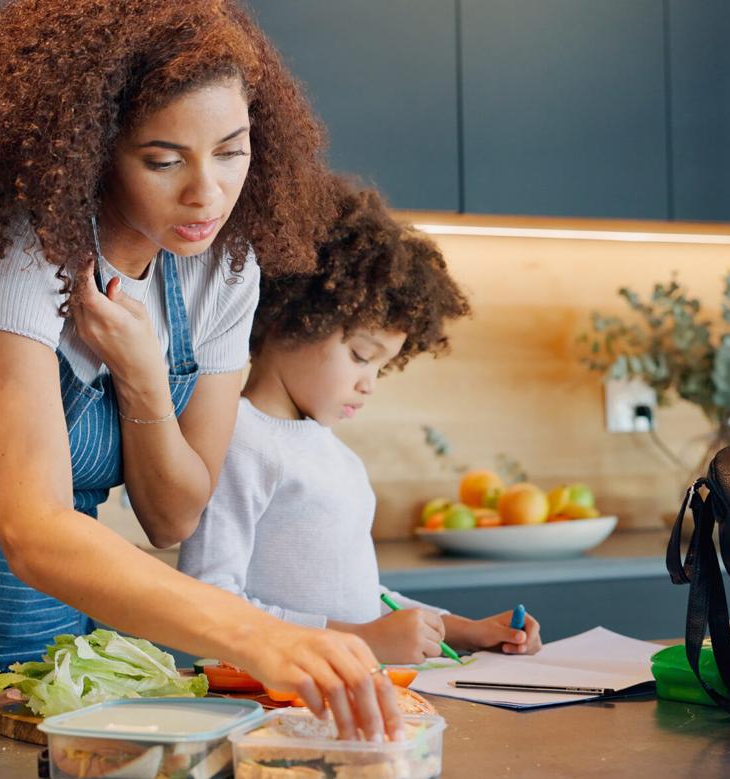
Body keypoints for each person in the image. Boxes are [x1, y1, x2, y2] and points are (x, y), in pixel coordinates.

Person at [0, 0, 401, 739]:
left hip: (41, 663)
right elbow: (34, 528)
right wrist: (262, 636)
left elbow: (174, 513)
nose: (206, 193)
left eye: (232, 150)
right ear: (91, 149)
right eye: (163, 159)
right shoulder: (19, 250)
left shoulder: (223, 273)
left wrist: (142, 376)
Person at [177, 181, 544, 663]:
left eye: (381, 366)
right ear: (293, 318)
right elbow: (209, 602)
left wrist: (466, 631)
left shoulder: (336, 455)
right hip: (266, 703)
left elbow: (360, 599)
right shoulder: (238, 439)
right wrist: (361, 641)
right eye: (360, 356)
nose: (370, 383)